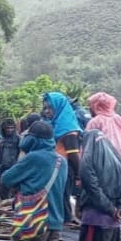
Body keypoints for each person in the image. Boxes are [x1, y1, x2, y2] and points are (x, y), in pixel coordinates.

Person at [0, 121, 68, 241]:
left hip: (32, 221)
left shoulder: (33, 158)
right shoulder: (62, 161)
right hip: (55, 222)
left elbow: (6, 178)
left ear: (33, 139)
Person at [42, 92, 83, 222]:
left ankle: (64, 226)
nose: (47, 111)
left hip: (64, 169)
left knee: (61, 198)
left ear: (59, 107)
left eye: (50, 108)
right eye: (45, 108)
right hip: (56, 167)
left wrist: (80, 174)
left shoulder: (68, 129)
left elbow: (73, 154)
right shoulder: (56, 124)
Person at [86, 92, 121, 176]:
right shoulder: (117, 118)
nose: (89, 109)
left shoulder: (95, 121)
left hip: (107, 161)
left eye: (91, 105)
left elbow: (88, 145)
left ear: (96, 106)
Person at [0, 119, 21, 200]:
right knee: (1, 190)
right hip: (2, 168)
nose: (10, 130)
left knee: (13, 191)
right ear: (3, 129)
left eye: (11, 128)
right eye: (7, 128)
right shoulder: (1, 140)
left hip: (14, 168)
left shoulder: (18, 139)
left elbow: (21, 154)